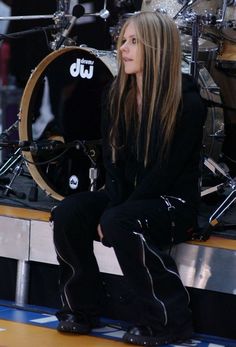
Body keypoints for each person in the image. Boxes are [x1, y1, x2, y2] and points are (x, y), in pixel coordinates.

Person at [52, 10, 207, 346]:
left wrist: (114, 215)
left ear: (158, 47)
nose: (123, 49)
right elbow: (113, 163)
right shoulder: (116, 95)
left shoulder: (187, 101)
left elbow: (164, 173)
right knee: (67, 213)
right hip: (127, 198)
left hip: (172, 202)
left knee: (120, 220)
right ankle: (80, 308)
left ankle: (168, 320)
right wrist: (114, 205)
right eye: (123, 41)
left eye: (134, 41)